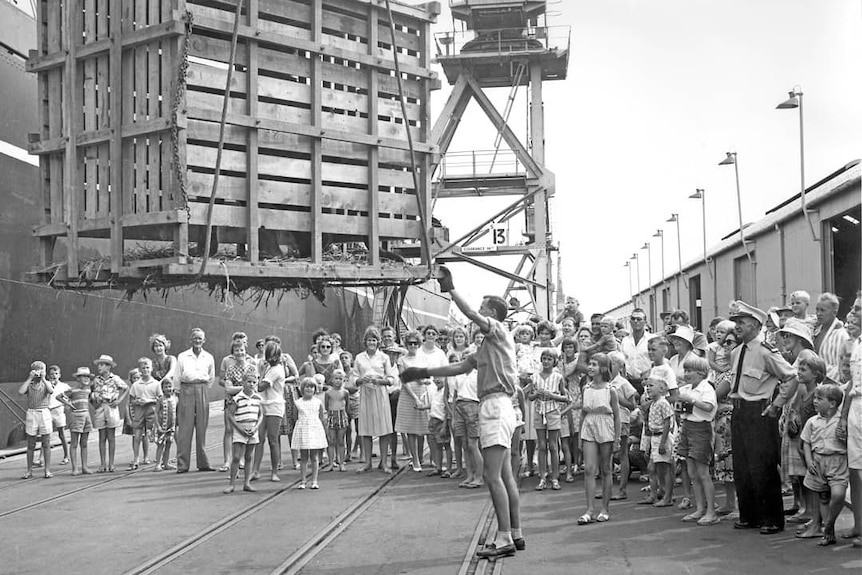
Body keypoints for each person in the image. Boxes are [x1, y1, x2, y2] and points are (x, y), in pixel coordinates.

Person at [401, 267, 523, 558]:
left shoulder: (496, 328)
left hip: (495, 405)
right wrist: (424, 370)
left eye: (483, 308)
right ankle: (515, 533)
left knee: (491, 476)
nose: (479, 313)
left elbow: (471, 315)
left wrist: (451, 289)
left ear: (492, 312)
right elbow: (460, 367)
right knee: (505, 476)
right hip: (503, 406)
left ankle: (504, 537)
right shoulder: (490, 346)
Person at [728, 301, 798, 535]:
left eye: (742, 322)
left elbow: (791, 377)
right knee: (742, 467)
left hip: (759, 412)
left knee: (763, 467)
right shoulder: (736, 352)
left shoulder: (766, 351)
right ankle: (749, 515)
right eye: (736, 322)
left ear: (756, 325)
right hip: (739, 412)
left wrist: (777, 405)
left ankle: (772, 519)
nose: (737, 326)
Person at [799, 384, 848, 546]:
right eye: (814, 398)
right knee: (822, 497)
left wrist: (844, 438)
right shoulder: (812, 422)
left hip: (837, 461)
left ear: (832, 403)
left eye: (819, 399)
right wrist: (808, 460)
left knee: (838, 494)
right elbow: (805, 443)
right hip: (818, 461)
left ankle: (829, 523)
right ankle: (829, 532)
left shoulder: (841, 422)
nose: (815, 401)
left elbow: (849, 442)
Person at [577, 353, 621, 524]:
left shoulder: (610, 390)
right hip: (589, 425)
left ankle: (604, 508)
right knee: (589, 469)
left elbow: (617, 416)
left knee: (606, 469)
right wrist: (581, 435)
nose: (590, 367)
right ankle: (589, 509)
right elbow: (582, 412)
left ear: (603, 368)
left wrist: (617, 437)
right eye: (590, 364)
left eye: (594, 364)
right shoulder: (586, 388)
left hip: (605, 425)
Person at [676, 355, 719, 525]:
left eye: (690, 371)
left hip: (701, 429)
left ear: (701, 373)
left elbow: (709, 407)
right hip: (687, 426)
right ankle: (700, 508)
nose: (686, 374)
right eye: (685, 370)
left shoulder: (706, 388)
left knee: (703, 472)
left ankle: (711, 512)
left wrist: (692, 400)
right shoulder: (686, 388)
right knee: (692, 472)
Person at [350, 326, 397, 474]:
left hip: (381, 394)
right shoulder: (359, 357)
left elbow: (391, 378)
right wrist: (361, 380)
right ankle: (368, 463)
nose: (371, 342)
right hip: (365, 394)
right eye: (369, 340)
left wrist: (381, 381)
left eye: (374, 340)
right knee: (366, 429)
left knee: (384, 429)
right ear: (365, 341)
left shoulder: (384, 357)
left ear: (378, 342)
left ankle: (383, 463)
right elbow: (353, 377)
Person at [170, 328, 217, 473]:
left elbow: (211, 377)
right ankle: (182, 465)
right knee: (185, 428)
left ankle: (203, 463)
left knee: (202, 427)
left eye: (200, 338)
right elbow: (177, 376)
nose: (197, 341)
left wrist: (202, 388)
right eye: (195, 338)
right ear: (191, 340)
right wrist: (178, 393)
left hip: (202, 388)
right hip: (186, 389)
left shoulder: (209, 357)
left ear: (204, 340)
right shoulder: (183, 356)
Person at [837, 295, 861, 548]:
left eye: (858, 309)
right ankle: (859, 524)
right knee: (855, 469)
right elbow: (852, 384)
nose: (852, 313)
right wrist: (843, 417)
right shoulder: (857, 343)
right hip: (856, 407)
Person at [530, 348, 567, 491]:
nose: (546, 362)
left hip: (553, 412)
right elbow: (530, 397)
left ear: (554, 361)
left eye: (549, 359)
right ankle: (542, 477)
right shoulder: (534, 377)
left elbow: (565, 398)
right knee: (541, 445)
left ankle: (555, 477)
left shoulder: (558, 377)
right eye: (544, 358)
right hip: (540, 412)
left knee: (553, 446)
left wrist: (552, 395)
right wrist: (537, 394)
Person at [711, 327, 739, 518]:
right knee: (723, 462)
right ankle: (729, 502)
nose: (726, 346)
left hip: (729, 422)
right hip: (720, 422)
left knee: (731, 462)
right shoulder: (725, 372)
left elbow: (714, 397)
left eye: (730, 343)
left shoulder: (733, 374)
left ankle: (736, 504)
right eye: (724, 343)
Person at [396, 331, 432, 472]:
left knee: (423, 428)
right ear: (406, 344)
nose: (413, 345)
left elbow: (426, 374)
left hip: (422, 391)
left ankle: (423, 458)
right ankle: (415, 460)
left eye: (415, 343)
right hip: (408, 395)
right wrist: (415, 397)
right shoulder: (402, 360)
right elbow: (404, 380)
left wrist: (425, 380)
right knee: (411, 429)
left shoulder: (423, 357)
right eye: (410, 343)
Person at [224, 370, 263, 494]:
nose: (251, 384)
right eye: (248, 382)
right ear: (243, 383)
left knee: (249, 456)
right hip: (240, 430)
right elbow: (230, 415)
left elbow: (261, 414)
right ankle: (232, 484)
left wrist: (256, 427)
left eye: (253, 382)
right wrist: (239, 428)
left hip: (252, 430)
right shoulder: (238, 398)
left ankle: (247, 483)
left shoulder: (258, 398)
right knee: (236, 457)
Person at [252, 341, 286, 482]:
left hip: (274, 405)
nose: (272, 359)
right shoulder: (268, 368)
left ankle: (274, 472)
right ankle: (255, 471)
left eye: (275, 356)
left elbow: (261, 386)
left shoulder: (277, 370)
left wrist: (258, 374)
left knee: (273, 439)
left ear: (279, 356)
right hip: (263, 404)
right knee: (258, 438)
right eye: (270, 356)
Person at [219, 340, 254, 472]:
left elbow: (254, 387)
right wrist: (245, 387)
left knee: (244, 430)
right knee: (229, 430)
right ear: (233, 354)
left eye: (241, 350)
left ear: (246, 351)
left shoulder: (252, 367)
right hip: (231, 402)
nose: (239, 353)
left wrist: (237, 388)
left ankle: (241, 459)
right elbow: (228, 389)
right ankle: (227, 461)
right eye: (236, 350)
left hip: (246, 403)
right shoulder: (230, 368)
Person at [91, 354, 129, 473]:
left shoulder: (115, 378)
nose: (99, 367)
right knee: (102, 436)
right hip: (100, 407)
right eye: (99, 365)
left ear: (108, 367)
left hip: (111, 407)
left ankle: (111, 463)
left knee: (111, 437)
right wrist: (94, 403)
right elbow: (91, 392)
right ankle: (103, 464)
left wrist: (119, 400)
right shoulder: (96, 380)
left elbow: (126, 388)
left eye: (102, 365)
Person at [608, 351, 637, 500]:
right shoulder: (604, 382)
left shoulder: (623, 383)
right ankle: (607, 488)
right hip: (606, 420)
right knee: (606, 454)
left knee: (622, 453)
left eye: (613, 363)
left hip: (622, 420)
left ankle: (622, 489)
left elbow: (633, 405)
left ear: (620, 366)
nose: (609, 365)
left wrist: (618, 399)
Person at [19, 361, 54, 479]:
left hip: (44, 411)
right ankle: (29, 470)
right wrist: (30, 377)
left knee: (46, 442)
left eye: (42, 370)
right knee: (31, 443)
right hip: (32, 412)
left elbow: (51, 391)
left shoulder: (46, 383)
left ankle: (47, 470)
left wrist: (44, 378)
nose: (39, 373)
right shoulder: (29, 384)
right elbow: (21, 391)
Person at [644, 374, 675, 507]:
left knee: (665, 467)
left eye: (651, 386)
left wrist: (662, 443)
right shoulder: (653, 404)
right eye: (647, 386)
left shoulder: (663, 403)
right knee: (652, 468)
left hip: (662, 437)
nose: (648, 388)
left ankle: (668, 497)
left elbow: (668, 423)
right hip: (654, 437)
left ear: (661, 389)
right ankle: (654, 493)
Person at [452, 356, 483, 487]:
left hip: (473, 405)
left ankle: (479, 476)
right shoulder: (458, 376)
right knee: (464, 444)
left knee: (473, 444)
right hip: (460, 406)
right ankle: (469, 475)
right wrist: (454, 416)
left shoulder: (478, 375)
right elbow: (454, 396)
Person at [293, 377, 328, 489]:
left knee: (314, 456)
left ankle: (314, 480)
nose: (309, 389)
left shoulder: (318, 402)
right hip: (303, 430)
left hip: (314, 429)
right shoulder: (298, 403)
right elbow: (294, 417)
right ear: (302, 389)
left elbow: (322, 417)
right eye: (307, 386)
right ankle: (303, 480)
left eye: (312, 387)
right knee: (303, 457)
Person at [128, 357, 161, 469]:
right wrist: (136, 402)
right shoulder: (136, 385)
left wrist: (149, 401)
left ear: (151, 368)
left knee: (155, 435)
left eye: (147, 367)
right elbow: (131, 400)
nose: (146, 370)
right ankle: (136, 459)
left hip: (152, 411)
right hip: (139, 411)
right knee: (137, 435)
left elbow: (161, 399)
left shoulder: (156, 384)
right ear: (140, 370)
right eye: (143, 368)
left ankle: (159, 458)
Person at [558, 337, 582, 481]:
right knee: (565, 433)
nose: (568, 350)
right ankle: (569, 463)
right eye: (566, 347)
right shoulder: (560, 362)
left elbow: (568, 373)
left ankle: (577, 463)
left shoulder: (577, 361)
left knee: (576, 433)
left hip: (576, 392)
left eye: (570, 347)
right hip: (564, 394)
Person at [813, 292, 850, 382]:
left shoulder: (842, 336)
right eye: (817, 310)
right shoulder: (814, 331)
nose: (818, 313)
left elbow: (841, 368)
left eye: (823, 310)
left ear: (834, 312)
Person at [65, 367, 94, 475]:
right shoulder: (73, 390)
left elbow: (91, 401)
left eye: (88, 376)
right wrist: (69, 405)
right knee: (74, 443)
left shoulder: (88, 390)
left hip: (86, 416)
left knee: (84, 443)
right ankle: (74, 468)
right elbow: (60, 396)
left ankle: (84, 467)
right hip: (76, 417)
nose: (86, 378)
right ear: (78, 378)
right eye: (84, 376)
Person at [620, 308, 651, 396]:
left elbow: (657, 361)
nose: (636, 321)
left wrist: (649, 372)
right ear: (630, 322)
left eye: (639, 319)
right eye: (633, 319)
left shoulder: (651, 339)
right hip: (629, 383)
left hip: (647, 382)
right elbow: (622, 363)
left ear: (645, 322)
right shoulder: (625, 341)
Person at [324, 369, 350, 472]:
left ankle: (342, 463)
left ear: (344, 380)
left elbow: (347, 404)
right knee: (331, 441)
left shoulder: (345, 392)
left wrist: (345, 414)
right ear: (332, 380)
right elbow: (326, 405)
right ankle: (331, 463)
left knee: (341, 441)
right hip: (331, 415)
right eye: (336, 379)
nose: (338, 381)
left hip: (341, 415)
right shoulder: (328, 392)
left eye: (340, 379)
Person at [45, 365, 70, 467]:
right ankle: (41, 458)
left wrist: (68, 404)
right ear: (48, 375)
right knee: (46, 435)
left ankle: (66, 456)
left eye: (56, 373)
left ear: (59, 375)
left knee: (62, 434)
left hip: (59, 410)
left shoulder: (64, 386)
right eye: (51, 374)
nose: (54, 376)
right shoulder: (46, 385)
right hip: (48, 410)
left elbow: (70, 396)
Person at [153, 379, 178, 471]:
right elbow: (156, 413)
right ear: (162, 389)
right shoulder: (160, 399)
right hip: (162, 426)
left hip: (171, 427)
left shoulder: (175, 399)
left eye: (170, 386)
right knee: (161, 445)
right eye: (166, 387)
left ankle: (166, 463)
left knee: (169, 444)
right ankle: (158, 464)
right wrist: (158, 426)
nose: (168, 389)